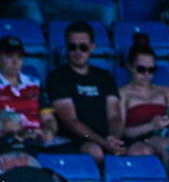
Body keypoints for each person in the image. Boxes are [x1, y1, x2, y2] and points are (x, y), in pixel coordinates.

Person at [46, 20, 121, 163]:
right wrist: (104, 143)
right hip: (77, 140)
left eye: (83, 47)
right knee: (95, 152)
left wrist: (114, 138)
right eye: (72, 47)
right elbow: (71, 121)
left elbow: (115, 116)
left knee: (138, 152)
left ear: (92, 47)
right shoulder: (57, 77)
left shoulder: (104, 76)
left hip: (106, 138)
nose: (77, 52)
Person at [119, 35, 169, 162]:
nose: (147, 75)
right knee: (164, 146)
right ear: (130, 67)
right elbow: (121, 131)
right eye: (141, 69)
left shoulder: (165, 91)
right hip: (139, 139)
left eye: (151, 70)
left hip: (166, 135)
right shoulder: (123, 94)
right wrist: (151, 125)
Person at [0, 36, 53, 144]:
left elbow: (49, 118)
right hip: (10, 140)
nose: (15, 61)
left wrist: (49, 131)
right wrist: (22, 134)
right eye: (9, 56)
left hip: (38, 137)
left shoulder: (35, 83)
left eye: (19, 56)